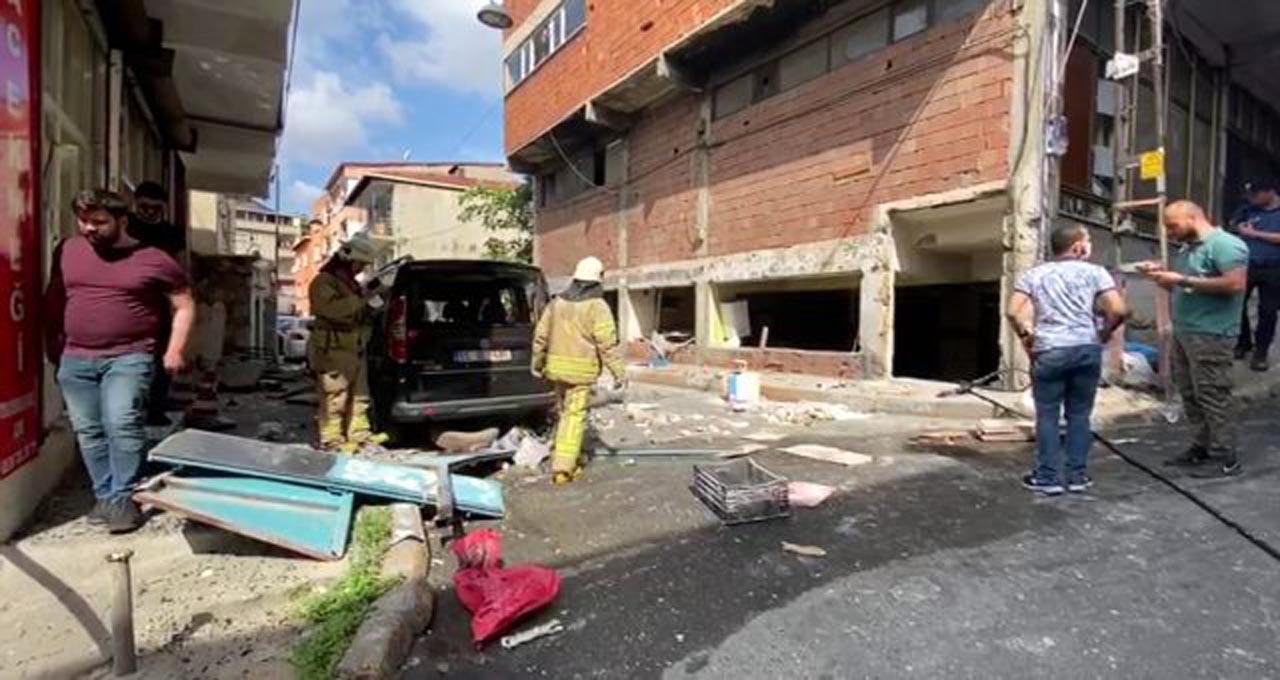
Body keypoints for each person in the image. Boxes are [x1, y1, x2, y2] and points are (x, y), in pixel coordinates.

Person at [44, 190, 194, 533]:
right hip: (76, 356)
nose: (89, 229)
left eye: (99, 222)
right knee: (88, 431)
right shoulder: (68, 250)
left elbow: (184, 304)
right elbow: (54, 296)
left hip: (130, 355)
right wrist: (50, 341)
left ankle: (124, 496)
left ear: (122, 222)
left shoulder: (153, 259)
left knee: (122, 423)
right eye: (83, 221)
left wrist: (175, 349)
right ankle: (106, 495)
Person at [1007, 225, 1129, 496]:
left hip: (1050, 350)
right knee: (1079, 415)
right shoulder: (1096, 273)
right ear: (1077, 247)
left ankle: (1047, 478)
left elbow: (1013, 312)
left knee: (1048, 416)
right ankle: (1077, 476)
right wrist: (1104, 333)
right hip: (1086, 348)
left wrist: (1027, 338)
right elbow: (1118, 310)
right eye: (1087, 242)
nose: (1089, 246)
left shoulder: (1034, 275)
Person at [1139, 200, 1249, 478]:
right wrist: (1164, 276)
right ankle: (1201, 446)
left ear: (1193, 217)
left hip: (1212, 333)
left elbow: (1235, 283)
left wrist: (1181, 281)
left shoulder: (1225, 245)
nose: (1170, 232)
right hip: (1186, 331)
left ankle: (1226, 456)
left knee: (1213, 393)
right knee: (1190, 393)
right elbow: (1187, 280)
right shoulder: (1190, 248)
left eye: (1173, 226)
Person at [531, 257, 626, 485]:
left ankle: (563, 454)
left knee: (563, 414)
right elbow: (607, 345)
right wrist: (619, 373)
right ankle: (563, 468)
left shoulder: (556, 303)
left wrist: (536, 364)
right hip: (580, 374)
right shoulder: (597, 307)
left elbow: (540, 337)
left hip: (555, 371)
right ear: (598, 280)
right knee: (573, 418)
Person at [307, 234, 388, 453]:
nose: (361, 269)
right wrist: (364, 297)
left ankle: (359, 436)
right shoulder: (324, 282)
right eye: (359, 264)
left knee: (360, 395)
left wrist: (375, 304)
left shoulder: (349, 283)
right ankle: (332, 440)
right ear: (347, 259)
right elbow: (333, 311)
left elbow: (360, 313)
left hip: (354, 346)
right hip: (334, 347)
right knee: (335, 395)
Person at [129, 181, 186, 426]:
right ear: (135, 204)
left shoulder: (171, 233)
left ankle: (156, 407)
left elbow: (180, 265)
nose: (150, 212)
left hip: (162, 302)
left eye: (156, 208)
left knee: (165, 356)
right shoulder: (126, 228)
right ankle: (132, 406)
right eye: (145, 207)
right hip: (130, 302)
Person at [1229, 179, 1280, 370]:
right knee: (1235, 304)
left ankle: (1261, 352)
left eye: (1255, 194)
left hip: (1274, 267)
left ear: (1270, 192)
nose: (1252, 199)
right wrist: (1238, 228)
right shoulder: (1247, 209)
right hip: (1246, 265)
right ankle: (1242, 342)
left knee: (1268, 311)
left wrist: (1256, 234)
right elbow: (1233, 225)